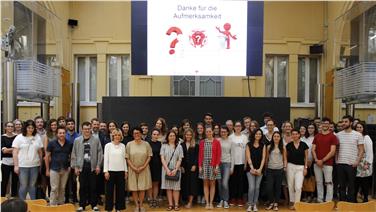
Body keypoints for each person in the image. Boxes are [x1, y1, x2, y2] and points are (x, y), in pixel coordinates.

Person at [71, 122, 103, 211]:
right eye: (85, 129)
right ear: (82, 129)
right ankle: (82, 205)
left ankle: (94, 205)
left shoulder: (96, 140)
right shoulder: (77, 140)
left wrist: (98, 166)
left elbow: (100, 153)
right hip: (81, 167)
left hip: (92, 167)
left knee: (93, 187)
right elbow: (74, 154)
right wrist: (75, 167)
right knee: (82, 187)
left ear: (91, 129)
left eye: (88, 129)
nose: (87, 130)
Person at [336, 115, 364, 202]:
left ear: (351, 123)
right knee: (341, 186)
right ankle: (342, 204)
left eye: (346, 121)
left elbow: (361, 150)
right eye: (343, 121)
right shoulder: (338, 135)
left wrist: (357, 162)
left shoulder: (358, 135)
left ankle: (350, 205)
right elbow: (336, 149)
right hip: (340, 164)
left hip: (351, 164)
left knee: (351, 186)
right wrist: (336, 160)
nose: (344, 123)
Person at [12, 120, 43, 200]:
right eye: (29, 127)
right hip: (22, 166)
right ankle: (21, 204)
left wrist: (41, 165)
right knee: (24, 185)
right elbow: (15, 152)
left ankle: (33, 204)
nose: (30, 129)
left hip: (35, 165)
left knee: (32, 185)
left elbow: (40, 152)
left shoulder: (37, 137)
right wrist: (16, 165)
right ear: (25, 128)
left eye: (32, 128)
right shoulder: (19, 137)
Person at [126, 127, 152, 212]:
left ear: (141, 134)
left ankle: (141, 205)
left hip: (143, 169)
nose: (136, 135)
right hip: (132, 169)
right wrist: (133, 167)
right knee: (134, 188)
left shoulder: (146, 144)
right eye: (134, 133)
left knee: (142, 188)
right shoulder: (129, 144)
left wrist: (143, 166)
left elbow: (149, 156)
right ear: (133, 135)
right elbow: (127, 158)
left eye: (138, 133)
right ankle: (136, 206)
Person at [312, 117, 338, 203]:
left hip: (328, 164)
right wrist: (316, 160)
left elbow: (332, 152)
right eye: (324, 123)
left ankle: (328, 201)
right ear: (321, 125)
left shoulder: (333, 137)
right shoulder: (317, 136)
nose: (325, 125)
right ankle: (320, 200)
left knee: (328, 182)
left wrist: (322, 160)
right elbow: (313, 149)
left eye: (327, 123)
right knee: (319, 182)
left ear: (329, 125)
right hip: (317, 163)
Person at [45, 126, 72, 206]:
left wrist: (70, 166)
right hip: (54, 168)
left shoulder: (69, 143)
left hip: (65, 169)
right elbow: (46, 157)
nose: (62, 134)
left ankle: (61, 205)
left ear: (65, 134)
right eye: (60, 133)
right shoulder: (52, 143)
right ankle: (53, 205)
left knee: (62, 188)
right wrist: (47, 169)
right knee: (54, 188)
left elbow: (71, 156)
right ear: (57, 134)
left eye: (63, 133)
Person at [103, 128, 128, 211]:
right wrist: (105, 171)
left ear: (121, 136)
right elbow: (106, 159)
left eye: (118, 135)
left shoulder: (123, 146)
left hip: (121, 171)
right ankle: (109, 208)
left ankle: (119, 208)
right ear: (112, 136)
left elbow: (124, 159)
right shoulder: (108, 146)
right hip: (110, 171)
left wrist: (126, 171)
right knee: (109, 191)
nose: (117, 136)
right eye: (115, 135)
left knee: (120, 191)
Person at [161, 130, 184, 211]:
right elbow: (162, 158)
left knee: (176, 188)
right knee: (168, 188)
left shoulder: (179, 146)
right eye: (170, 136)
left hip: (176, 170)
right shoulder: (164, 146)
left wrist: (175, 169)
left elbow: (180, 159)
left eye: (173, 136)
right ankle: (170, 204)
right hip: (166, 169)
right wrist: (167, 169)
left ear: (176, 137)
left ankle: (176, 204)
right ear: (167, 137)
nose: (172, 137)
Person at [198, 126, 221, 210]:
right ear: (205, 132)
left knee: (212, 184)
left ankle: (211, 203)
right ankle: (207, 202)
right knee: (205, 184)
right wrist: (200, 166)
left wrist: (217, 167)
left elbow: (219, 155)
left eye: (210, 131)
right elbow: (200, 155)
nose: (208, 133)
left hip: (213, 165)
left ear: (213, 132)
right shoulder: (202, 142)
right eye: (207, 131)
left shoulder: (217, 142)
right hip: (204, 165)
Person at [285, 129, 308, 210]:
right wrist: (285, 167)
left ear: (299, 135)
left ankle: (297, 203)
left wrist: (306, 168)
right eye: (293, 134)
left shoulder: (304, 145)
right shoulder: (288, 145)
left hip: (300, 168)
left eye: (296, 134)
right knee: (291, 185)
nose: (294, 135)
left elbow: (306, 157)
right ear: (291, 135)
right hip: (290, 166)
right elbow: (286, 157)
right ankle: (292, 201)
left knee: (298, 187)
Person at [265, 132, 287, 211]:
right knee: (269, 187)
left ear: (280, 138)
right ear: (272, 137)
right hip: (270, 169)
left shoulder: (283, 147)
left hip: (279, 169)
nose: (276, 138)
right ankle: (271, 202)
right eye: (275, 136)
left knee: (278, 187)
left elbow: (285, 158)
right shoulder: (269, 147)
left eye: (278, 136)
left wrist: (284, 167)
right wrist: (265, 168)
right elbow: (266, 159)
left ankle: (276, 203)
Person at [245, 129, 266, 212]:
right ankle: (250, 205)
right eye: (257, 134)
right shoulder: (248, 144)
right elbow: (248, 157)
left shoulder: (263, 145)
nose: (258, 135)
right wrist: (252, 168)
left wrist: (260, 169)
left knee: (257, 187)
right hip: (250, 169)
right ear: (254, 135)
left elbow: (263, 158)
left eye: (260, 134)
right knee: (252, 187)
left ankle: (255, 204)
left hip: (260, 169)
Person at [229, 121, 248, 207]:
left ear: (241, 127)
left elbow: (247, 151)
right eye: (236, 126)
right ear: (234, 127)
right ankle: (233, 198)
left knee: (241, 181)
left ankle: (240, 198)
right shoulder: (230, 137)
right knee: (233, 181)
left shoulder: (244, 137)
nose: (238, 127)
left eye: (239, 126)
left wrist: (245, 163)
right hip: (232, 163)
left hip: (241, 162)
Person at [354, 121, 373, 202]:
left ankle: (365, 198)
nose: (358, 129)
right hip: (356, 162)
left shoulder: (366, 138)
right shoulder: (354, 136)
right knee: (356, 182)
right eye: (357, 127)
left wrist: (368, 163)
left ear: (363, 128)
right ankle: (354, 199)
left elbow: (369, 152)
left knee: (364, 182)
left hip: (364, 162)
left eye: (360, 127)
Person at [181, 128, 198, 209]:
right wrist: (181, 166)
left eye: (190, 135)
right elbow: (180, 157)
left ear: (192, 135)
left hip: (192, 168)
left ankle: (190, 202)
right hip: (184, 168)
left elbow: (197, 156)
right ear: (185, 135)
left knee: (192, 185)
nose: (188, 136)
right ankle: (185, 200)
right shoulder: (181, 145)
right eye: (187, 134)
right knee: (185, 184)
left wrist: (195, 165)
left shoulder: (195, 144)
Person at [217, 125, 233, 209]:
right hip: (218, 164)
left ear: (227, 132)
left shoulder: (231, 141)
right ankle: (221, 200)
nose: (223, 133)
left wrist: (232, 167)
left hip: (227, 164)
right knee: (219, 184)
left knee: (224, 183)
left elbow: (232, 155)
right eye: (222, 131)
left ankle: (226, 200)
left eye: (224, 131)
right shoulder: (217, 140)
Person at [1, 121, 18, 197]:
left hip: (15, 162)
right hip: (5, 162)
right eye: (8, 126)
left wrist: (9, 150)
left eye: (11, 126)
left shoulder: (17, 137)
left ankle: (14, 197)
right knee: (5, 181)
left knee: (15, 181)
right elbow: (4, 151)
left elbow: (19, 149)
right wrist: (14, 149)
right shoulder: (2, 137)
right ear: (5, 128)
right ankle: (2, 197)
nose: (10, 128)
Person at [301, 123, 317, 202]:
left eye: (312, 128)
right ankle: (306, 196)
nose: (310, 129)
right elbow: (302, 151)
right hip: (304, 161)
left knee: (313, 179)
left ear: (315, 129)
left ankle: (313, 196)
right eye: (309, 128)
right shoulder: (303, 138)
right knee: (305, 179)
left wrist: (313, 160)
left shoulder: (316, 138)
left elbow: (316, 150)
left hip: (314, 161)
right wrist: (306, 161)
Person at [65, 118, 79, 203]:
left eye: (72, 124)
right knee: (66, 180)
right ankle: (66, 198)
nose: (71, 125)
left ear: (74, 125)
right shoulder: (64, 135)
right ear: (66, 126)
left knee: (74, 180)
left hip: (75, 161)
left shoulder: (78, 136)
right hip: (65, 161)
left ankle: (74, 197)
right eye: (69, 124)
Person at [147, 129, 162, 208]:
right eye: (154, 134)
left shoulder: (160, 144)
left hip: (158, 166)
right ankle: (151, 199)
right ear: (151, 135)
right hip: (149, 166)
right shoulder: (147, 143)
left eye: (157, 134)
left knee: (156, 183)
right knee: (150, 184)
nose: (155, 136)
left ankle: (155, 199)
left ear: (159, 135)